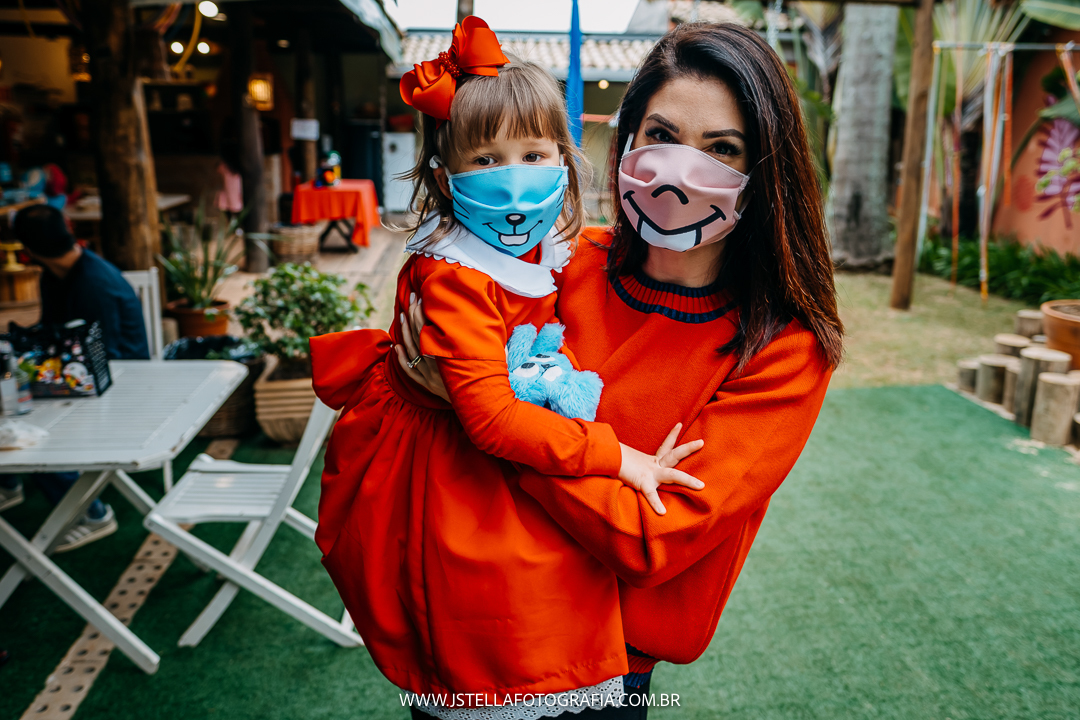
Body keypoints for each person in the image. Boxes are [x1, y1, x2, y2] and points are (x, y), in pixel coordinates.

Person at [398, 22, 844, 718]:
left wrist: (476, 418)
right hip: (475, 623)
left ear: (765, 173)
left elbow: (648, 537)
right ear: (626, 139)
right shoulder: (555, 263)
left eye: (722, 149)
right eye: (661, 135)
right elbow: (423, 357)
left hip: (606, 669)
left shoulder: (782, 348)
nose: (681, 170)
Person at [308, 17, 704, 719]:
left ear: (562, 158)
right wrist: (619, 457)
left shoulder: (532, 248)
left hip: (484, 445)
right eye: (486, 160)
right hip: (451, 475)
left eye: (533, 153)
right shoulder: (456, 274)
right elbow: (490, 421)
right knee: (497, 632)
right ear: (445, 176)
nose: (514, 177)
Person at [0, 204, 150, 552]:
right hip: (82, 375)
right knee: (13, 400)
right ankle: (8, 484)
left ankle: (92, 514)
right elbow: (51, 333)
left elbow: (106, 355)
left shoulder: (94, 284)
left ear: (28, 251)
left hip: (122, 385)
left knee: (36, 432)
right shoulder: (57, 274)